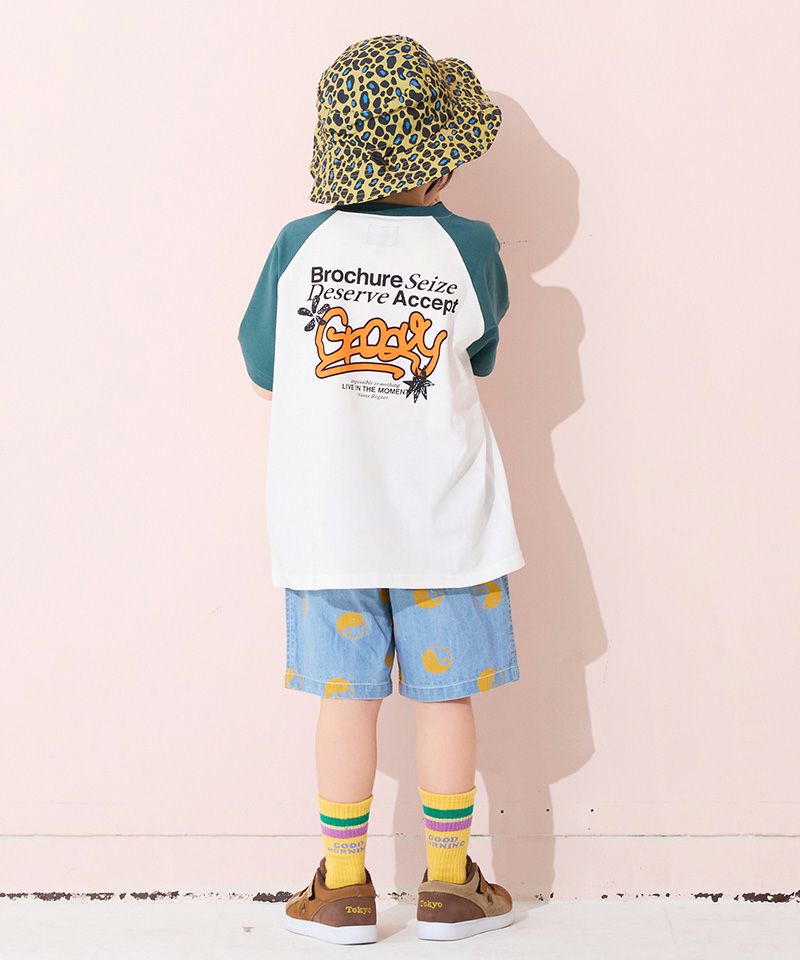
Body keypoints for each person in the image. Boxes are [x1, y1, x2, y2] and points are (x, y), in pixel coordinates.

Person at [238, 34, 524, 945]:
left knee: (346, 699)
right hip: (446, 522)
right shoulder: (468, 245)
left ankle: (343, 889)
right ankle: (448, 886)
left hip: (330, 523)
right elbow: (480, 352)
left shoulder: (298, 245)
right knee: (445, 698)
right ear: (439, 159)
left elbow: (263, 367)